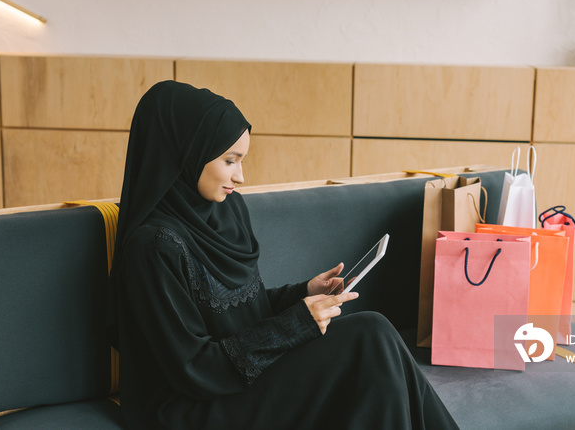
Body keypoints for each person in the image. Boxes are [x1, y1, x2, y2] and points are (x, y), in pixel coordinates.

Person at [109, 80, 459, 429]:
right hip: (191, 407)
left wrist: (304, 293)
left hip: (242, 378)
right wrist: (296, 324)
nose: (240, 177)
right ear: (187, 152)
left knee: (376, 332)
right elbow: (193, 368)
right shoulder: (154, 246)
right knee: (368, 338)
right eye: (230, 161)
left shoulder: (226, 213)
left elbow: (244, 308)